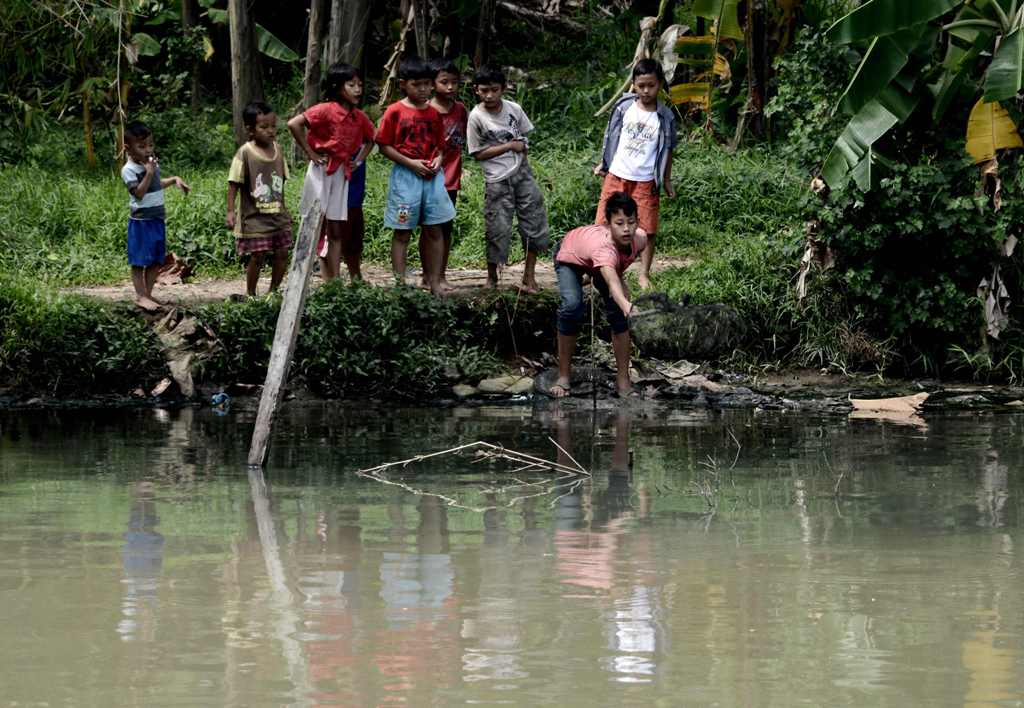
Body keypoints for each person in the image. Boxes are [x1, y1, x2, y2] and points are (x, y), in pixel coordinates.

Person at [551, 191, 647, 398]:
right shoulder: (604, 249)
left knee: (618, 316)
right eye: (619, 223)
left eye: (631, 222)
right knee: (573, 306)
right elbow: (613, 284)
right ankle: (563, 377)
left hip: (600, 263)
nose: (626, 229)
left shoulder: (640, 238)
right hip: (570, 256)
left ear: (638, 222)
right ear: (607, 224)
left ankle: (623, 380)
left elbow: (621, 267)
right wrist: (627, 305)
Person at [594, 58, 677, 290]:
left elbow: (668, 149)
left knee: (647, 228)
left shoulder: (665, 117)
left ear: (659, 84)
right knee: (603, 222)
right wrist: (604, 163)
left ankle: (643, 274)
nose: (646, 91)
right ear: (634, 84)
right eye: (641, 86)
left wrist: (667, 180)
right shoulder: (623, 107)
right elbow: (611, 137)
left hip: (646, 180)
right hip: (617, 175)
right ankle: (598, 269)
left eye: (651, 85)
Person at [288, 62, 375, 282]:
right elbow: (294, 124)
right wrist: (310, 153)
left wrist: (359, 160)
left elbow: (372, 138)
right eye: (351, 84)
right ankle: (300, 277)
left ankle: (333, 281)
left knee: (336, 227)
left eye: (360, 85)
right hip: (321, 170)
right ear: (337, 87)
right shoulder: (325, 109)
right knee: (313, 221)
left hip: (342, 173)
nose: (357, 89)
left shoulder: (359, 117)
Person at [376, 56, 455, 296]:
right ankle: (400, 286)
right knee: (403, 231)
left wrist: (439, 160)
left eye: (426, 84)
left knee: (435, 229)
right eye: (416, 84)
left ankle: (433, 282)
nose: (423, 89)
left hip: (431, 177)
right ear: (403, 84)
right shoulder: (394, 111)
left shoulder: (433, 114)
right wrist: (411, 164)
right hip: (406, 177)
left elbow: (441, 146)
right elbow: (384, 146)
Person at [467, 64, 550, 292]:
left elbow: (523, 138)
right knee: (497, 228)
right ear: (476, 90)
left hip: (522, 174)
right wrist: (508, 146)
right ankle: (492, 278)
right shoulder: (476, 117)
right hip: (497, 180)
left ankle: (529, 276)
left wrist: (521, 153)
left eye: (494, 89)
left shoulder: (514, 108)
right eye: (484, 90)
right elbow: (476, 153)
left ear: (504, 88)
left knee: (533, 222)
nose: (489, 95)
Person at [121, 120, 190, 311]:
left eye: (150, 145)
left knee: (155, 260)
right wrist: (149, 173)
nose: (148, 150)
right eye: (141, 146)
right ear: (128, 148)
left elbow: (156, 184)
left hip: (157, 219)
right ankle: (140, 296)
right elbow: (139, 193)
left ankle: (149, 294)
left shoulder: (150, 165)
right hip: (141, 222)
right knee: (139, 261)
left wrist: (175, 180)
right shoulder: (129, 170)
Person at [226, 101, 292, 297]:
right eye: (264, 127)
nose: (270, 131)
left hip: (277, 215)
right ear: (250, 130)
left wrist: (285, 210)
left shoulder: (278, 150)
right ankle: (251, 294)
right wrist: (230, 211)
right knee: (258, 255)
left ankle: (273, 292)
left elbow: (282, 183)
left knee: (282, 253)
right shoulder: (245, 153)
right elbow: (234, 183)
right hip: (254, 216)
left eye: (273, 126)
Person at [419, 57, 468, 293]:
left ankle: (441, 273)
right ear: (432, 84)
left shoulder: (460, 110)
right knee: (429, 228)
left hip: (452, 176)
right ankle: (427, 274)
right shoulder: (426, 111)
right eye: (444, 82)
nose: (450, 87)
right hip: (428, 174)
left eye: (454, 82)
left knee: (446, 227)